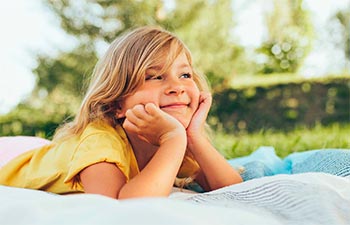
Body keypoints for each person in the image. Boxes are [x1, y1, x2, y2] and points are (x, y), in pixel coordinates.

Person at [0, 26, 242, 199]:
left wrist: (193, 135)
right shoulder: (100, 140)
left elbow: (233, 190)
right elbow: (119, 207)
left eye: (185, 75)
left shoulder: (175, 138)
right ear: (116, 104)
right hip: (10, 166)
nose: (177, 87)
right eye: (154, 77)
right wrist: (173, 140)